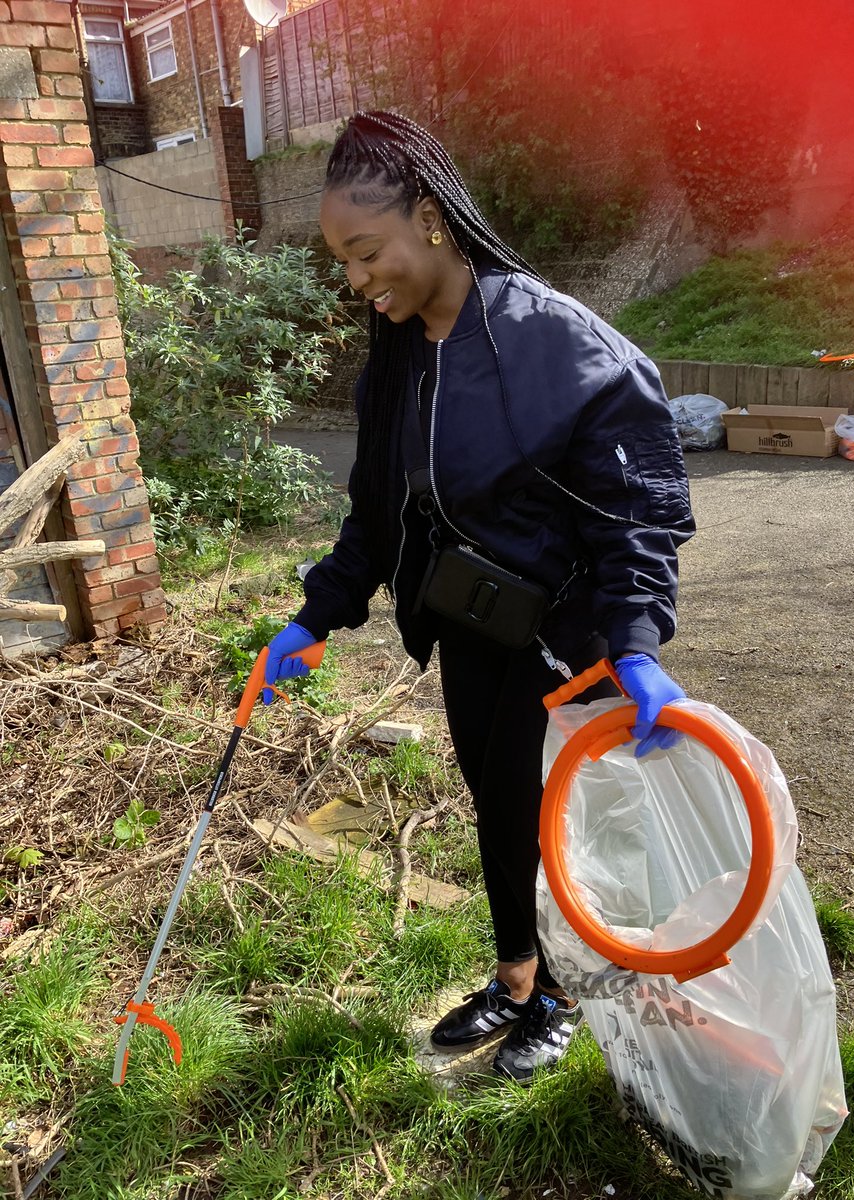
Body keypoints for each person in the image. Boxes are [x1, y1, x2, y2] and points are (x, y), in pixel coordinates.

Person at [261, 110, 695, 1084]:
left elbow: (638, 508)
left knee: (551, 823)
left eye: (366, 252)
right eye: (344, 260)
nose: (357, 280)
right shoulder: (400, 361)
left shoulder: (555, 344)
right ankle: (515, 974)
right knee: (496, 811)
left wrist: (632, 641)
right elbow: (376, 512)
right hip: (469, 628)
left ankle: (562, 998)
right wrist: (315, 615)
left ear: (431, 218)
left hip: (562, 639)